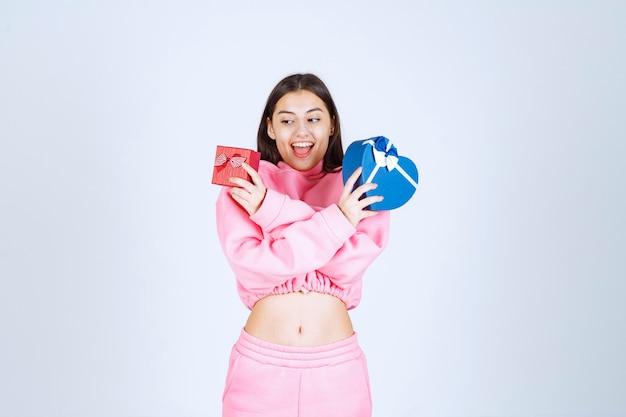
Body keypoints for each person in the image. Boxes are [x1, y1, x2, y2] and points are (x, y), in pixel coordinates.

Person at [216, 73, 390, 417]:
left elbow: (344, 268)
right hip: (260, 374)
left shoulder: (362, 183)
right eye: (286, 120)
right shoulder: (245, 181)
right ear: (270, 127)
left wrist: (270, 209)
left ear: (331, 125)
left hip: (337, 375)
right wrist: (339, 221)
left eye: (313, 118)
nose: (301, 132)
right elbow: (258, 268)